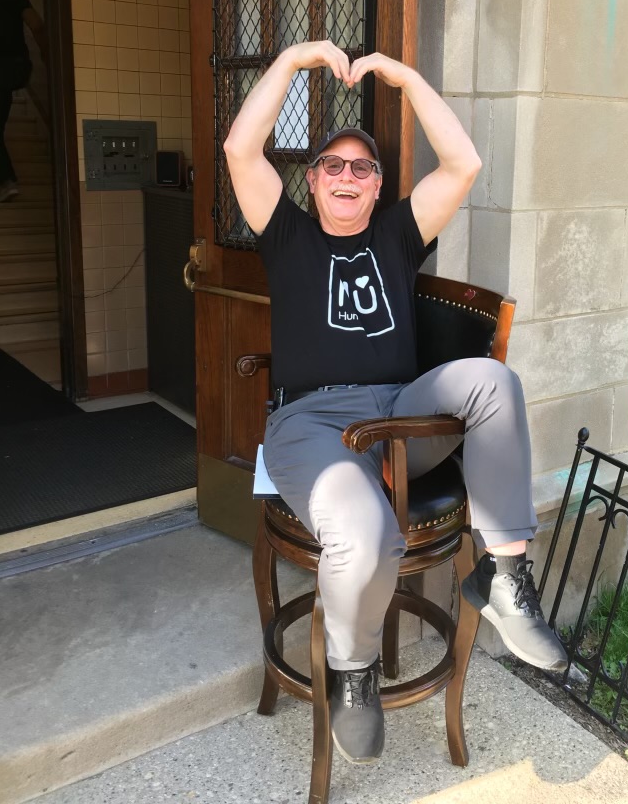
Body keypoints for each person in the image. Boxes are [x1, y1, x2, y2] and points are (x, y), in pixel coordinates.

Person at [224, 40, 567, 766]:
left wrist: (404, 76)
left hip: (399, 414)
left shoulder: (398, 236)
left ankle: (504, 576)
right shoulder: (286, 235)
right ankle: (352, 669)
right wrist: (293, 61)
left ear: (378, 187)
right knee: (365, 531)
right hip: (310, 423)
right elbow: (239, 148)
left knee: (494, 382)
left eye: (363, 168)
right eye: (333, 166)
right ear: (312, 180)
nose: (347, 176)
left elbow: (463, 163)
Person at [0, 0, 46, 203]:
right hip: (16, 68)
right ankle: (6, 181)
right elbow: (37, 25)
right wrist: (46, 54)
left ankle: (6, 181)